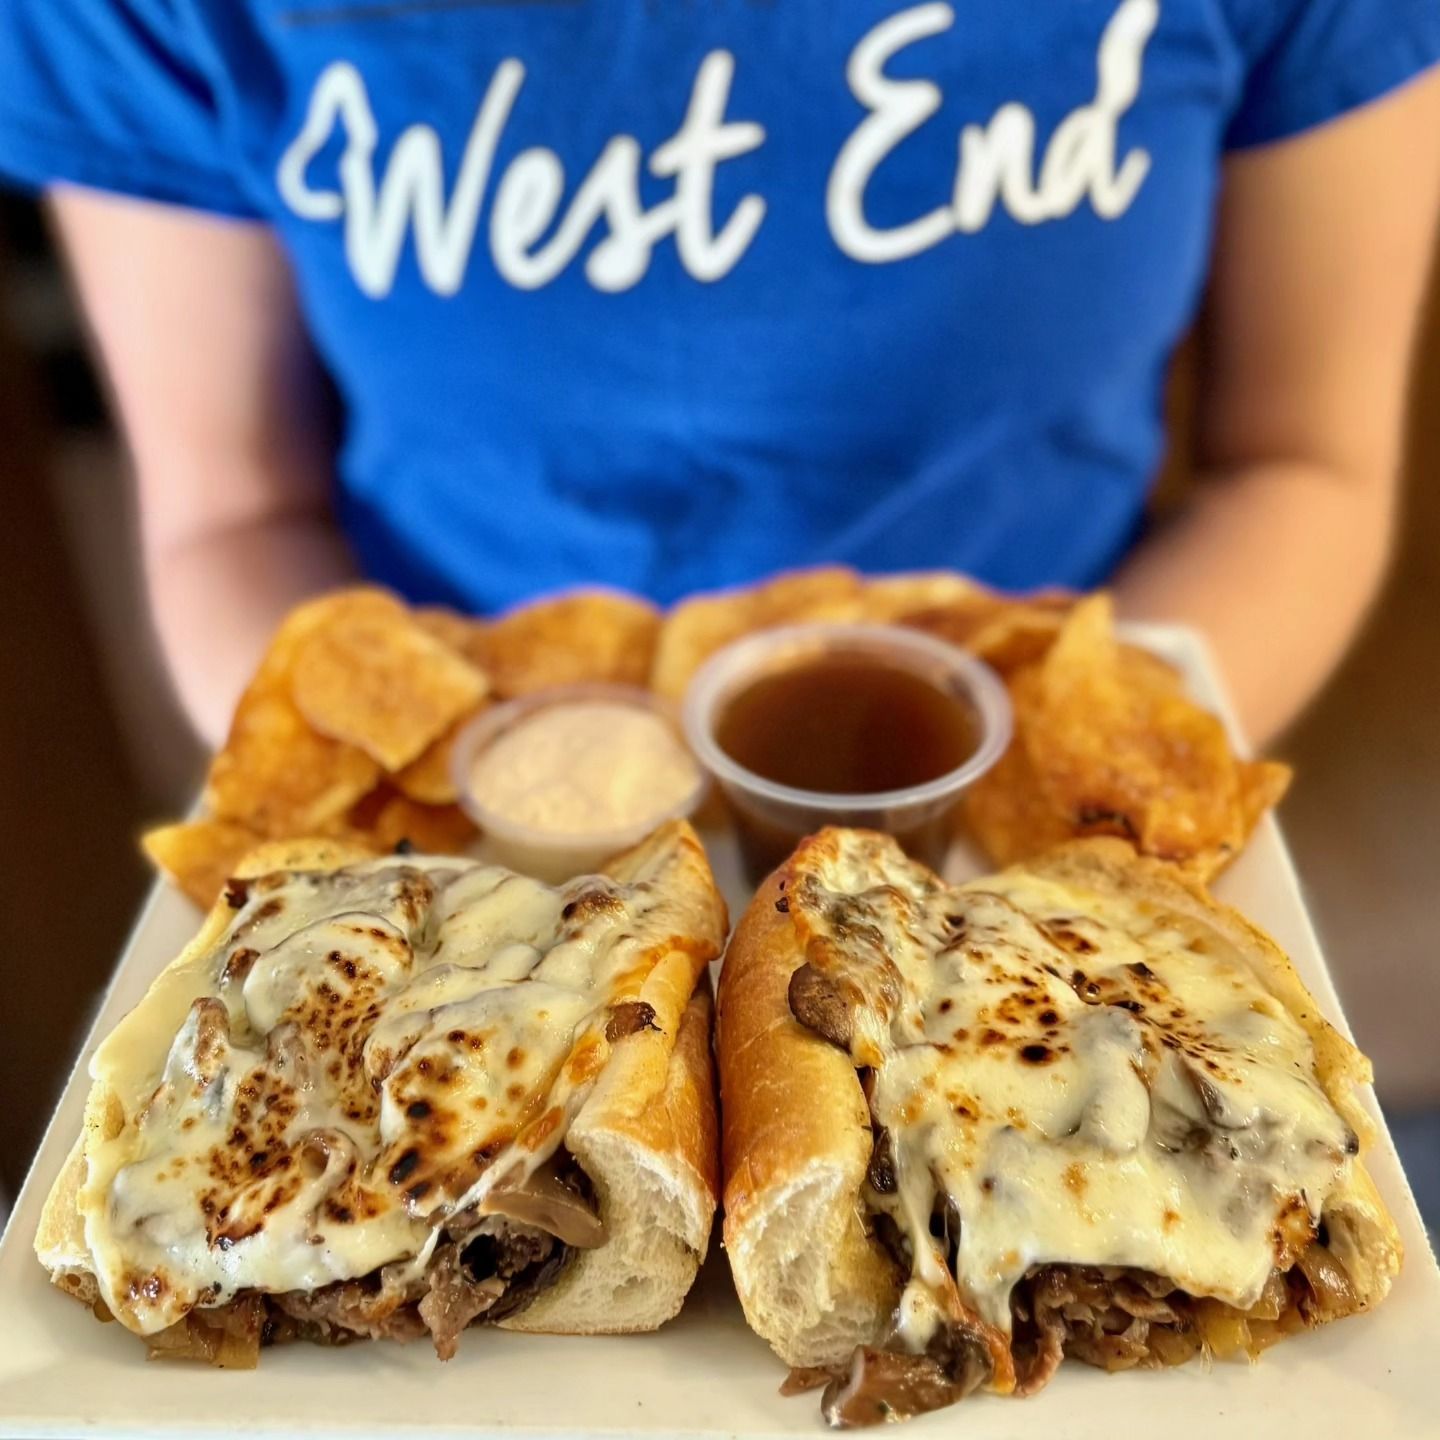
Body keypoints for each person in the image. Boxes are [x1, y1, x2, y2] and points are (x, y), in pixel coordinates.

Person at [0, 1, 1436, 748]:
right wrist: (471, 840)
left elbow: (1302, 464)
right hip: (456, 772)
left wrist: (1032, 805)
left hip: (1055, 729)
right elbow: (233, 513)